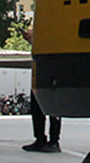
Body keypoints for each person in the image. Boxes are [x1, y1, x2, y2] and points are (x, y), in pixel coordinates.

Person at [21, 24, 61, 153]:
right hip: (40, 65)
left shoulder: (54, 26)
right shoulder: (40, 23)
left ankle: (54, 141)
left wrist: (33, 37)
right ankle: (40, 139)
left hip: (53, 65)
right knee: (36, 105)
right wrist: (31, 39)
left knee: (53, 106)